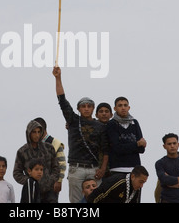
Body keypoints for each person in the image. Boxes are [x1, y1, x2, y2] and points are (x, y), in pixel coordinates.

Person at [53, 66, 109, 203]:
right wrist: (58, 78)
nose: (86, 108)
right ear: (78, 109)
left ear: (92, 108)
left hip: (94, 168)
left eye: (89, 106)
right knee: (76, 203)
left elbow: (106, 149)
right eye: (83, 106)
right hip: (76, 168)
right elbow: (62, 100)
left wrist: (102, 168)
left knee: (98, 201)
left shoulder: (100, 126)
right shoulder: (73, 120)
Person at [13, 120, 60, 203]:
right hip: (32, 192)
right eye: (34, 132)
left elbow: (56, 167)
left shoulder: (49, 148)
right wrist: (30, 181)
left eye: (39, 132)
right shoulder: (22, 152)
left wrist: (50, 180)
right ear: (29, 133)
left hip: (49, 191)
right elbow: (17, 173)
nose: (37, 135)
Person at [107, 97, 146, 175]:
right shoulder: (112, 124)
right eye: (120, 105)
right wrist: (136, 144)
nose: (123, 108)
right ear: (115, 108)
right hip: (117, 168)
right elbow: (117, 148)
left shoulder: (134, 123)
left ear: (129, 107)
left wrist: (128, 145)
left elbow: (141, 149)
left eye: (125, 105)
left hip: (134, 169)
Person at [33, 117, 67, 202]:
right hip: (37, 184)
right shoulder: (33, 144)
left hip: (51, 185)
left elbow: (61, 163)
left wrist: (59, 181)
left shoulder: (55, 143)